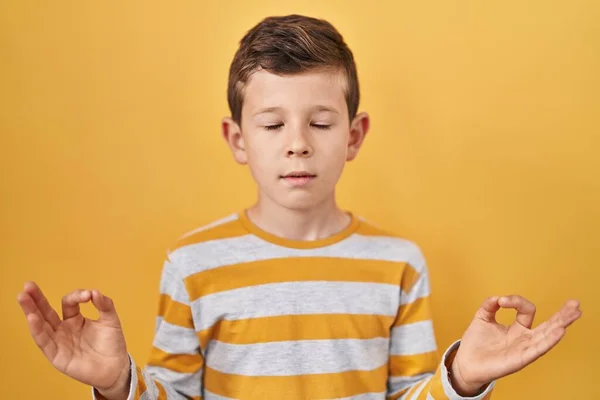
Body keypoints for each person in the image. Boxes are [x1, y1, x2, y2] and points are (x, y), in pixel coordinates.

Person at [17, 14, 582, 400]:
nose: (297, 143)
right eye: (271, 123)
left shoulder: (399, 263)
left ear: (354, 135)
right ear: (238, 139)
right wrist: (119, 384)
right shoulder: (192, 262)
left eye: (319, 122)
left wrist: (459, 378)